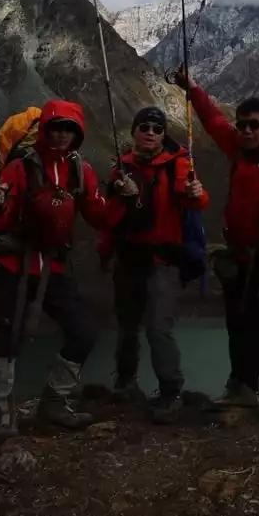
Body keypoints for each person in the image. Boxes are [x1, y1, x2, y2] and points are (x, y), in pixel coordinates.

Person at [174, 68, 259, 421]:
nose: (245, 130)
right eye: (242, 124)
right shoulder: (240, 150)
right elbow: (214, 122)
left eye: (253, 124)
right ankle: (243, 385)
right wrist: (194, 89)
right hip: (240, 253)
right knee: (239, 321)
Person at [0, 99, 108, 435]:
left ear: (77, 134)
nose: (61, 135)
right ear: (45, 129)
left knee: (83, 332)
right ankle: (3, 411)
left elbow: (100, 216)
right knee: (9, 337)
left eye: (69, 129)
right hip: (15, 266)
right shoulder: (19, 168)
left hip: (52, 267)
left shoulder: (80, 170)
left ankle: (54, 402)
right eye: (56, 128)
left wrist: (123, 198)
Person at [101, 105, 209, 424]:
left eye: (157, 129)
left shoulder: (176, 166)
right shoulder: (121, 169)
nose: (150, 132)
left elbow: (194, 199)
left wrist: (196, 192)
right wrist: (123, 199)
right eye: (144, 126)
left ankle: (170, 390)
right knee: (128, 326)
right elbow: (109, 219)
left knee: (158, 328)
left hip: (163, 260)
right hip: (129, 258)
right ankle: (125, 382)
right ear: (134, 131)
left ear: (163, 136)